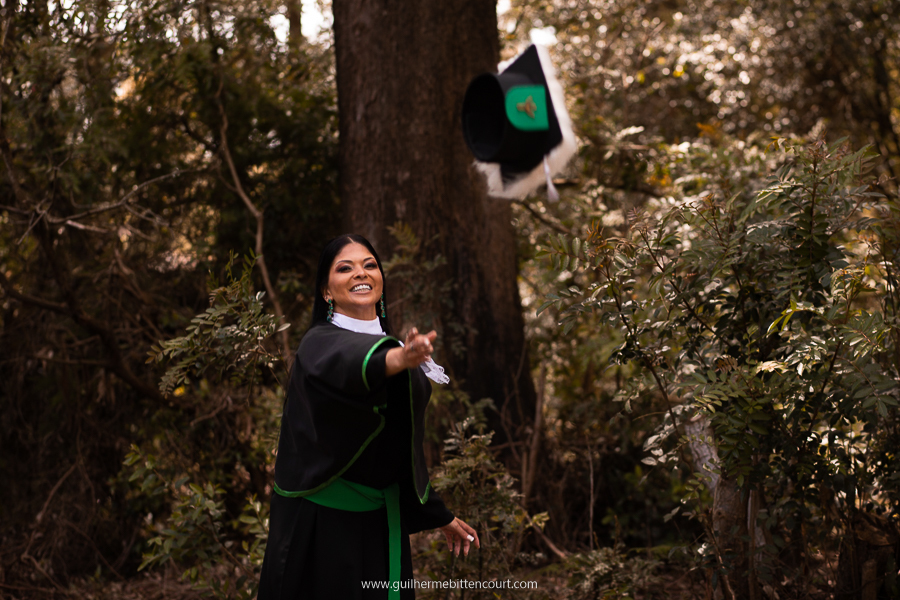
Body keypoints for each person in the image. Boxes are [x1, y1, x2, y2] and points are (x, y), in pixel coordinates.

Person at [257, 234, 479, 600]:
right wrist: (400, 358)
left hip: (379, 526)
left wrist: (437, 513)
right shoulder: (319, 344)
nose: (361, 273)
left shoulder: (394, 347)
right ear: (326, 291)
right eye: (345, 268)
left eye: (370, 265)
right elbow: (351, 359)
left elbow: (399, 445)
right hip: (324, 531)